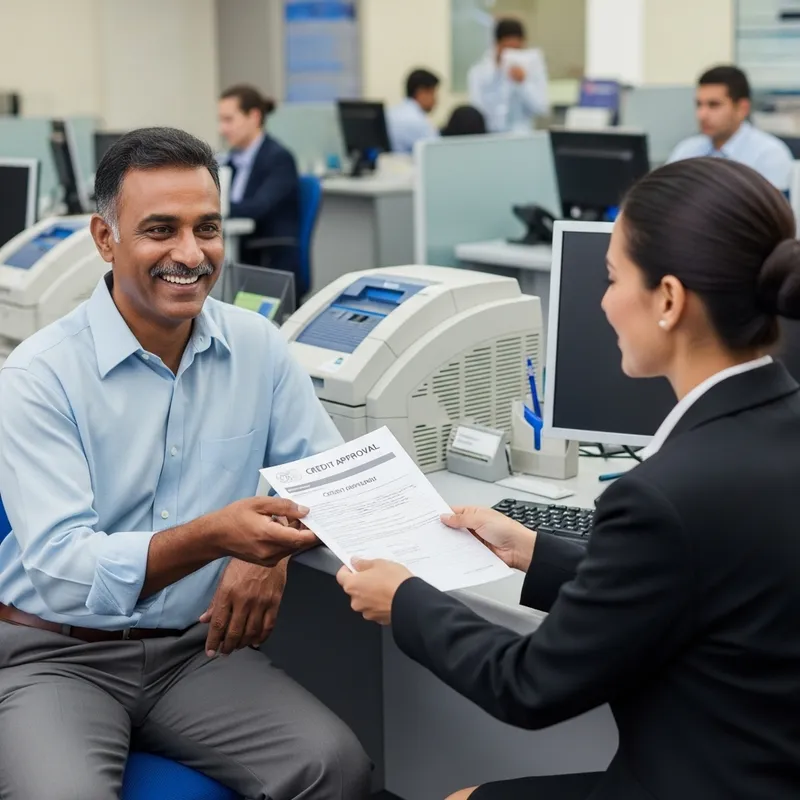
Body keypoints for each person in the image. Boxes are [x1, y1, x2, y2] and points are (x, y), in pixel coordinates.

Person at [337, 158, 800, 799]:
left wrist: (406, 599)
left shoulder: (663, 495)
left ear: (668, 300)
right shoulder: (774, 426)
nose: (602, 301)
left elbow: (528, 685)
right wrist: (535, 552)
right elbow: (695, 576)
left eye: (611, 278)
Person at [0, 127, 371, 800]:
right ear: (105, 239)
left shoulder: (257, 347)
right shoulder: (39, 375)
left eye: (207, 228)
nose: (190, 254)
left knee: (333, 766)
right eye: (160, 230)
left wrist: (268, 555)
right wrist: (214, 537)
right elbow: (62, 558)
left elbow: (327, 477)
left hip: (189, 655)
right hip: (54, 654)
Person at [218, 84, 305, 296]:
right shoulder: (231, 159)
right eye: (220, 120)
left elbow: (258, 207)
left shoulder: (278, 158)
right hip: (237, 251)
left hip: (266, 259)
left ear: (254, 117)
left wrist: (214, 209)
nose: (222, 129)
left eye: (229, 120)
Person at [668, 65, 794, 193]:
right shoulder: (686, 151)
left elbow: (772, 212)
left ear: (742, 109)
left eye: (714, 105)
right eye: (699, 105)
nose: (702, 115)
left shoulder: (769, 155)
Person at [468, 17, 549, 134]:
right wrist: (498, 72)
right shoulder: (479, 72)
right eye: (508, 48)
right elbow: (476, 110)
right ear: (497, 45)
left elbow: (542, 108)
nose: (512, 54)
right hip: (489, 136)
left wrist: (523, 84)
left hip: (522, 135)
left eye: (517, 49)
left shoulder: (533, 68)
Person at [386, 68, 441, 154]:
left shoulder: (390, 113)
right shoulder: (419, 121)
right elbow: (437, 153)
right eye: (433, 93)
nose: (436, 100)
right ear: (421, 92)